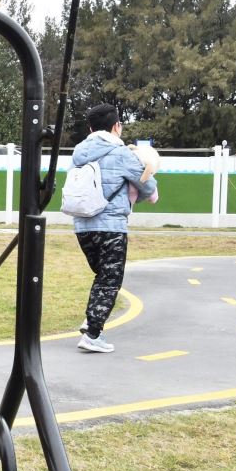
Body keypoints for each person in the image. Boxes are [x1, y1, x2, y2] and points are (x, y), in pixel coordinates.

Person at [70, 104, 157, 353]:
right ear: (116, 126)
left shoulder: (78, 153)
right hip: (111, 226)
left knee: (102, 276)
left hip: (82, 226)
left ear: (90, 128)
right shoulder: (121, 153)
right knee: (110, 280)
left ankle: (91, 320)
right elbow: (148, 186)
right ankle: (93, 334)